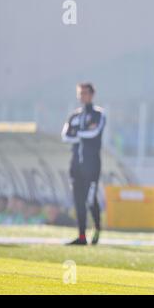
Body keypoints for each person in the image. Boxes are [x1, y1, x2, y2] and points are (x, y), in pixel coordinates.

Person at [61, 83, 105, 245]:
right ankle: (81, 236)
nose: (82, 96)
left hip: (92, 165)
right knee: (78, 199)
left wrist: (77, 133)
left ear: (92, 94)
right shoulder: (74, 115)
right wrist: (82, 133)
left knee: (90, 199)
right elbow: (65, 136)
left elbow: (94, 132)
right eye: (80, 93)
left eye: (85, 93)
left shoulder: (98, 114)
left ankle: (97, 228)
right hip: (75, 164)